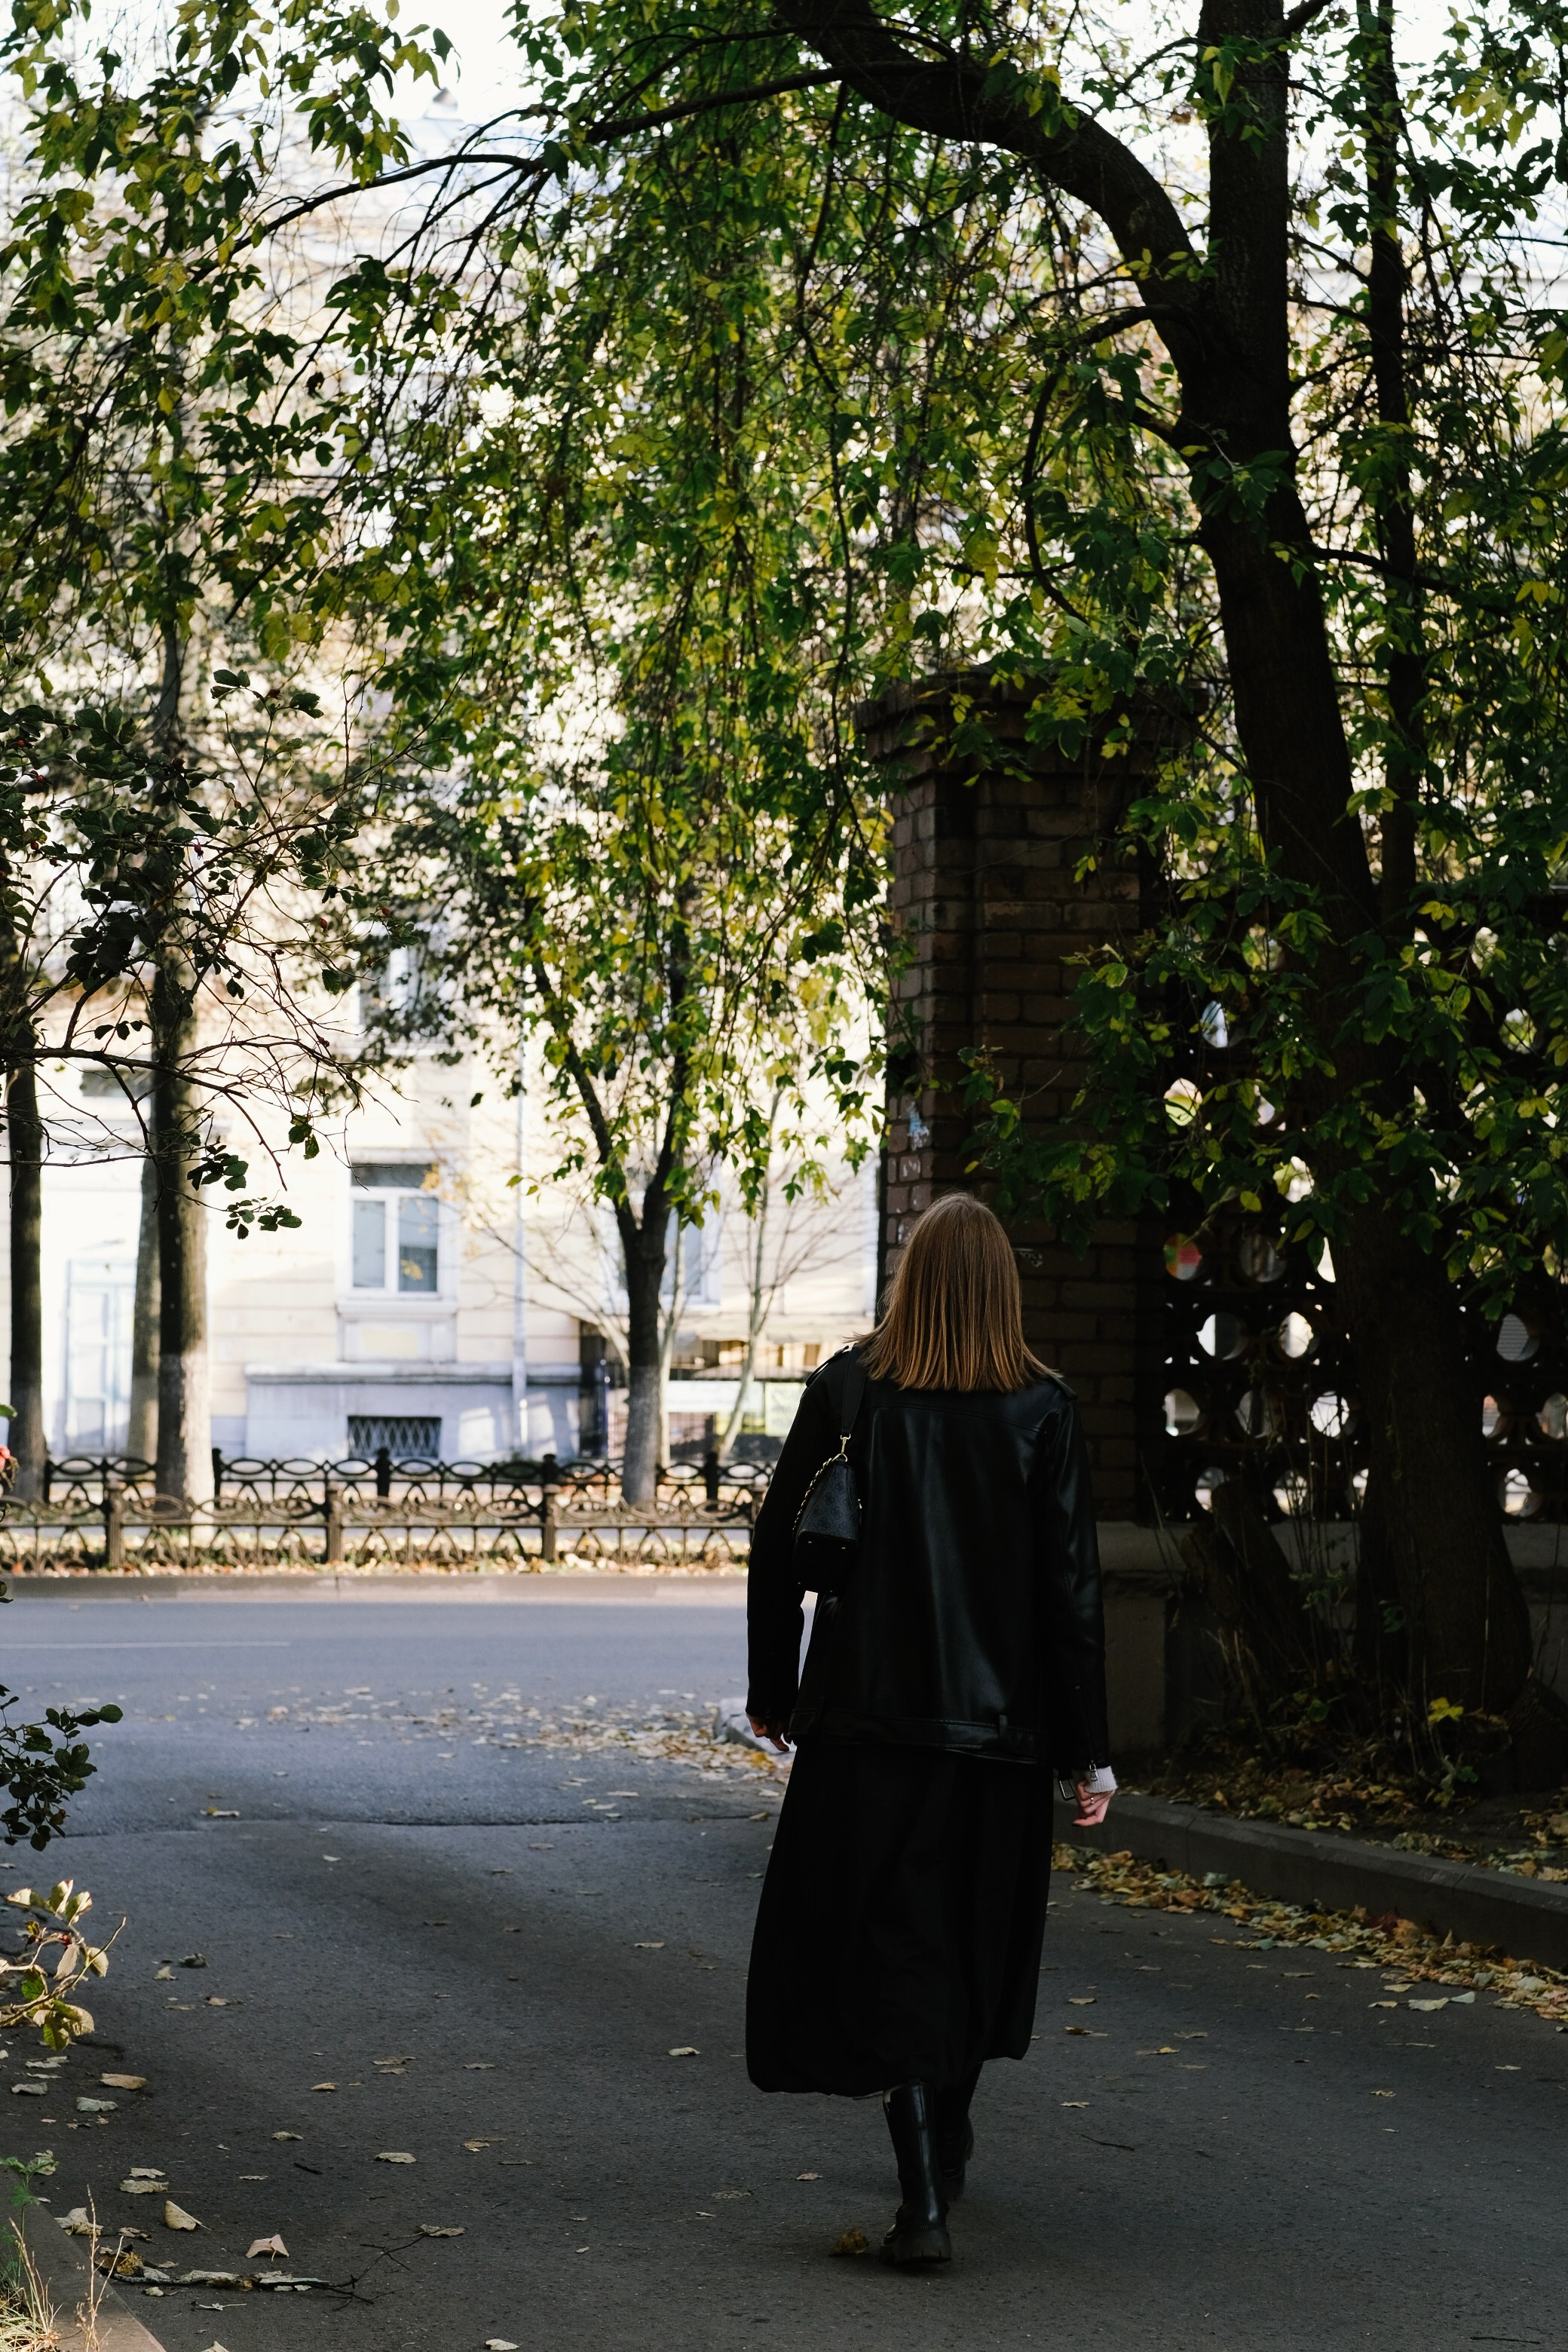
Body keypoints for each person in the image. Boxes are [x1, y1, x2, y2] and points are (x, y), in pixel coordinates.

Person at [745, 1191, 1114, 2269]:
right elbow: (1071, 1592)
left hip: (866, 1724)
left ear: (911, 1280)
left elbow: (779, 1542)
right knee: (967, 1937)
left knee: (894, 1942)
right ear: (1003, 1286)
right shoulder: (1043, 1408)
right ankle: (943, 2138)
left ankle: (922, 2202)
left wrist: (776, 1686)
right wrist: (1087, 1747)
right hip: (998, 1738)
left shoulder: (852, 1389)